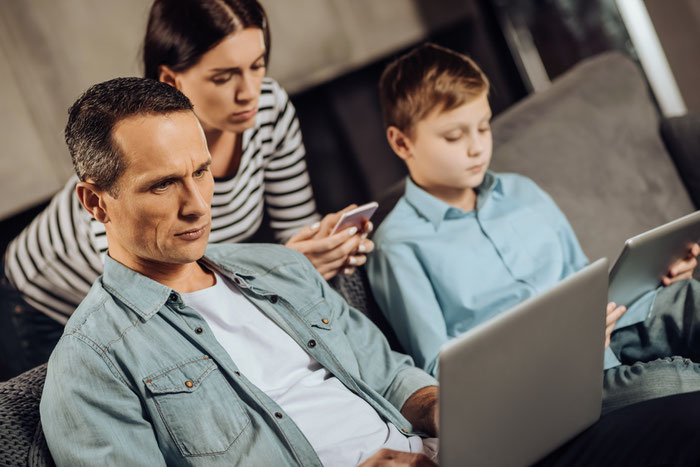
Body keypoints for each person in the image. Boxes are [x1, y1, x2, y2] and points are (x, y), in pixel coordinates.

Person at [39, 77, 437, 467]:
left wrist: (442, 410)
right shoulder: (89, 364)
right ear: (95, 201)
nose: (197, 205)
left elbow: (391, 377)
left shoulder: (281, 266)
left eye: (200, 172)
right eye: (162, 185)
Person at [2, 0, 372, 369]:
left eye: (257, 66)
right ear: (171, 80)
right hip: (42, 303)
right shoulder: (123, 176)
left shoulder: (268, 109)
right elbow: (157, 299)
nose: (249, 92)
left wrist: (322, 247)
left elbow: (294, 227)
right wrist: (280, 271)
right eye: (223, 77)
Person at [367, 43, 700, 412]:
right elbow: (439, 372)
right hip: (541, 387)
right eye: (454, 136)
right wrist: (555, 346)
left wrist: (650, 276)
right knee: (677, 382)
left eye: (483, 127)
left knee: (690, 299)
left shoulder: (522, 192)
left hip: (603, 337)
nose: (477, 147)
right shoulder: (398, 245)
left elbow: (586, 283)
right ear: (401, 142)